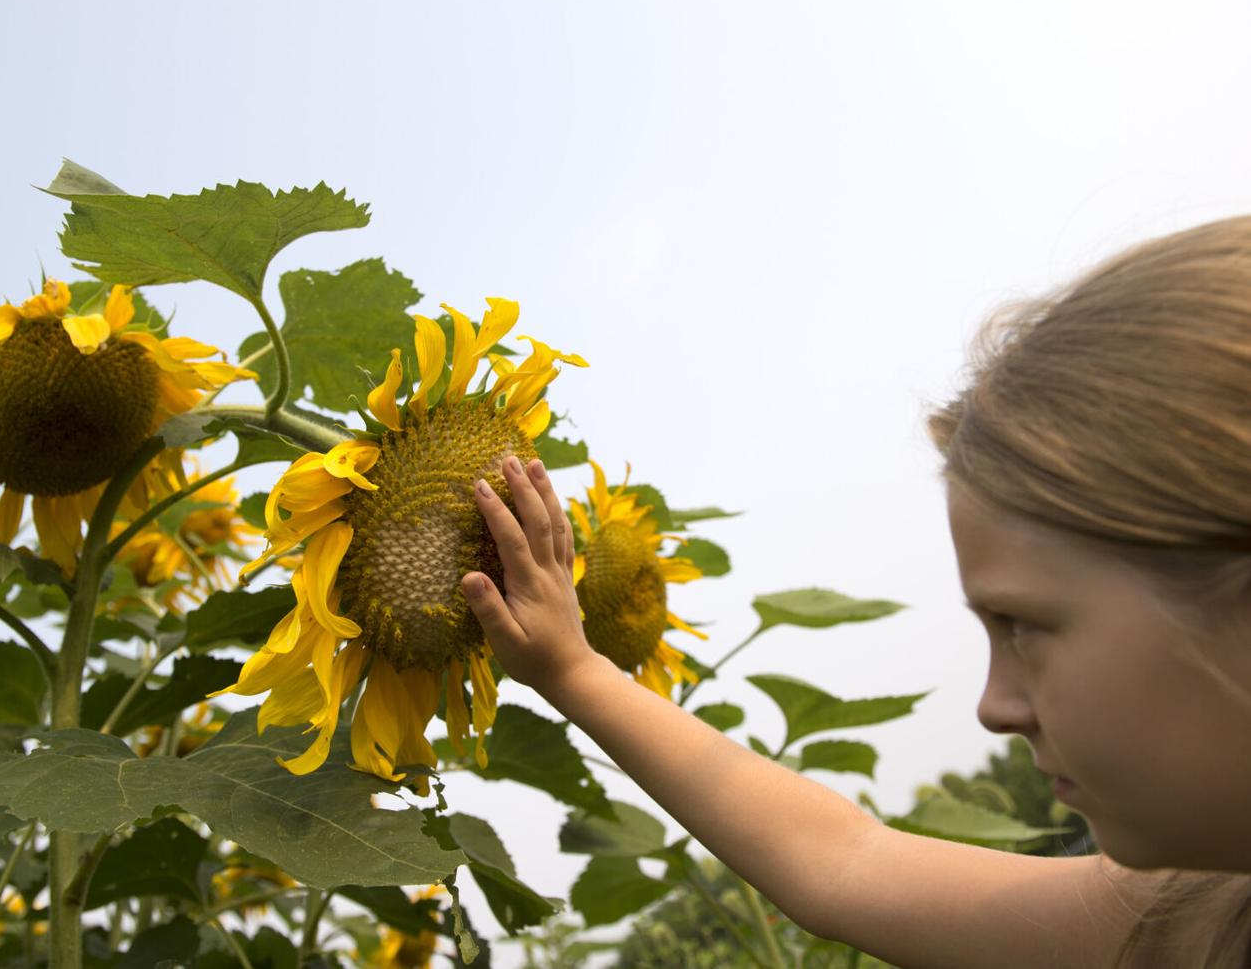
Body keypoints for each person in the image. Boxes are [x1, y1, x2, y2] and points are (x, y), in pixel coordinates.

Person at [461, 216, 1251, 969]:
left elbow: (850, 866)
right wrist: (572, 669)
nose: (995, 706)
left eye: (1021, 626)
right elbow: (847, 865)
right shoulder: (1207, 920)